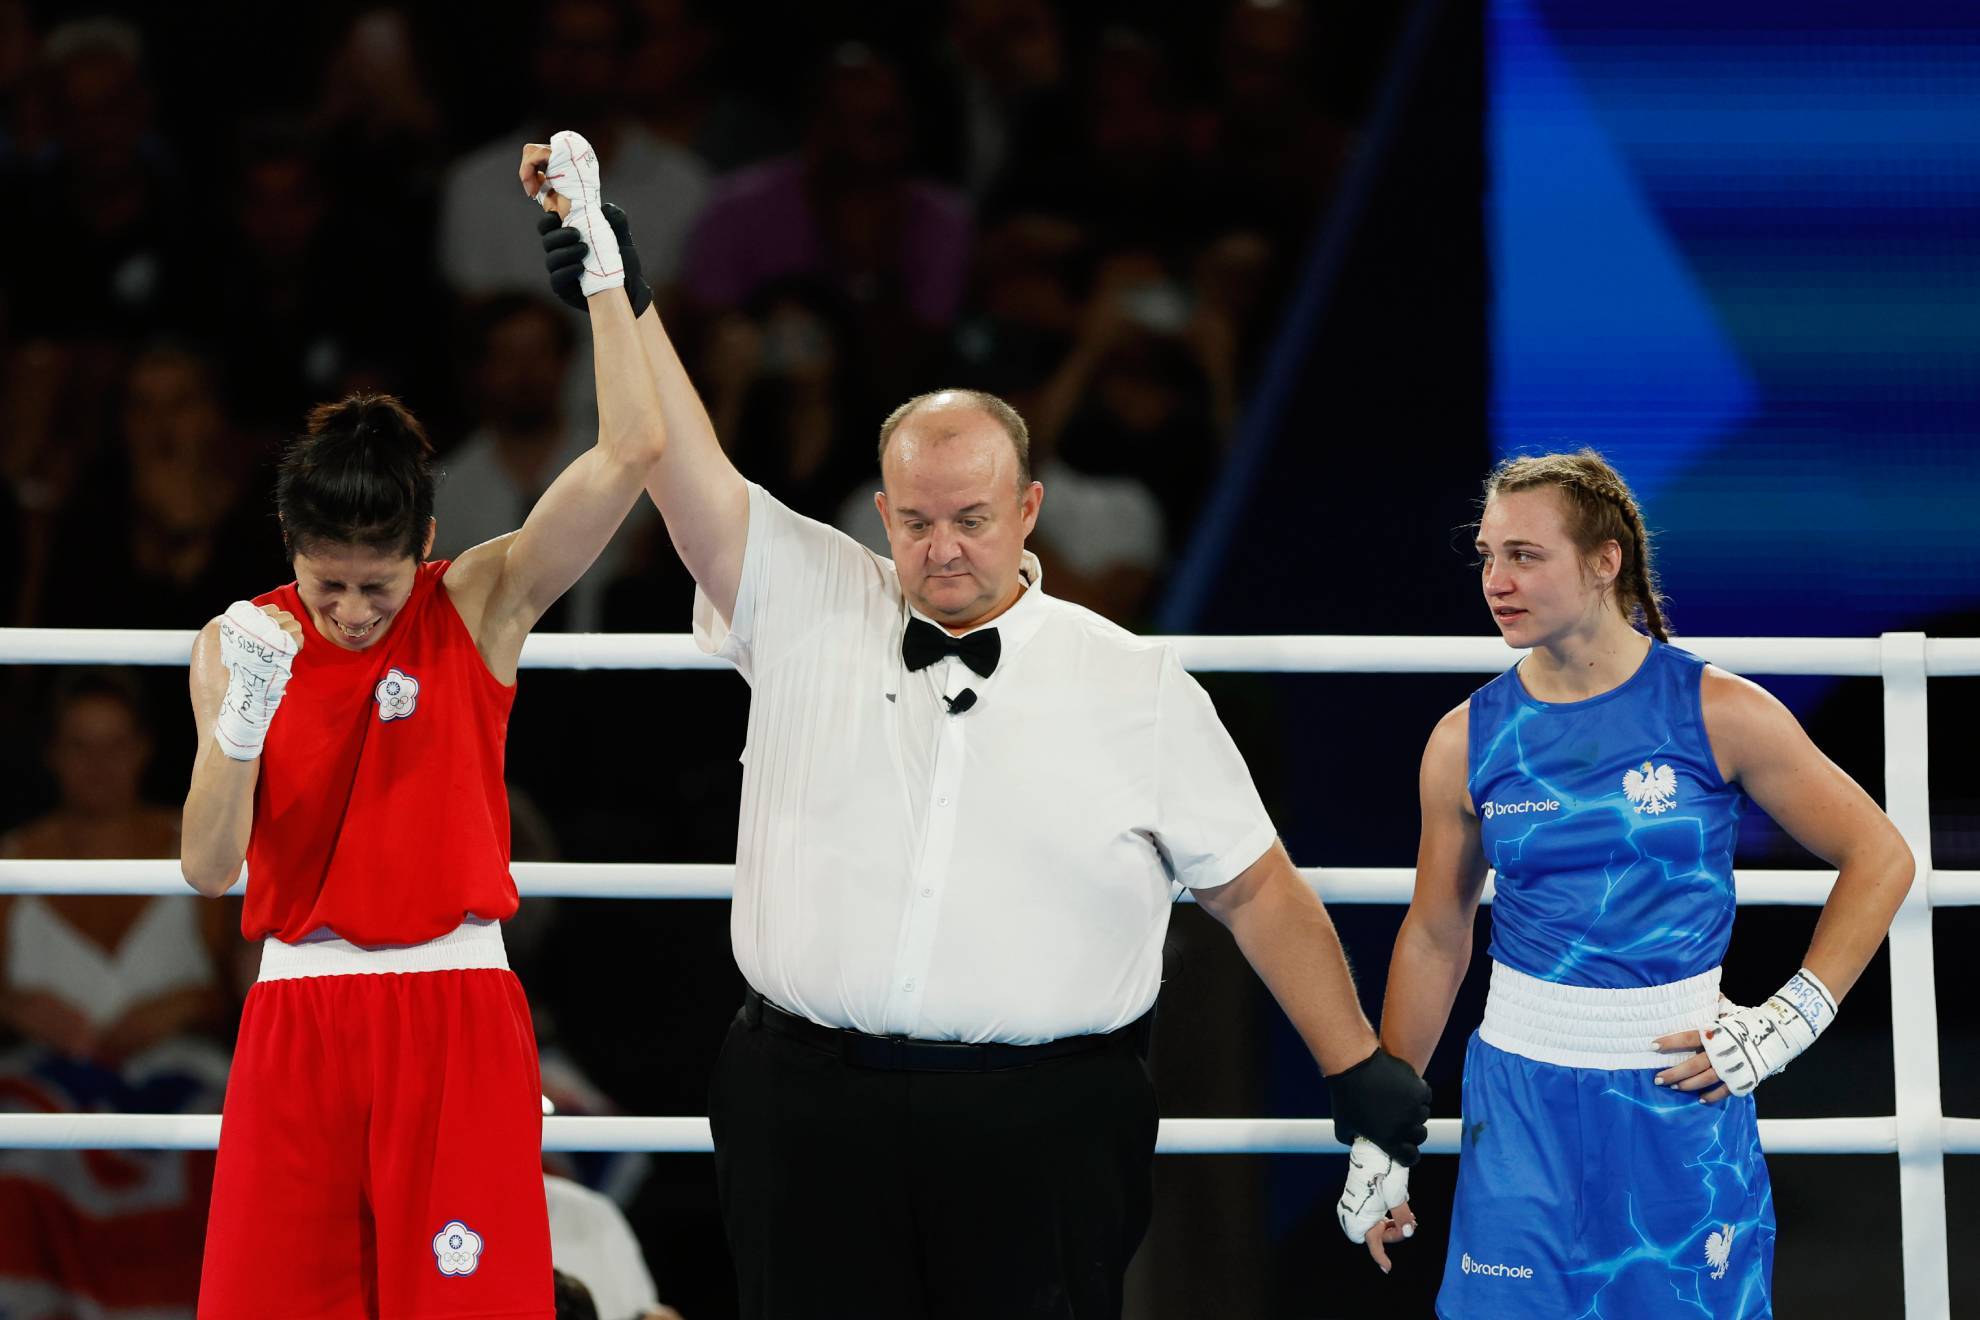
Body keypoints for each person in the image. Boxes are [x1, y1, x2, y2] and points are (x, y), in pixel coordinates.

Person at [523, 186, 1431, 1319]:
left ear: (1029, 509)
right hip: (804, 1105)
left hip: (1042, 1124)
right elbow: (685, 466)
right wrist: (621, 292)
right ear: (880, 510)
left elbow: (1256, 888)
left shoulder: (1134, 683)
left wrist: (1354, 1066)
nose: (943, 547)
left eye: (973, 517)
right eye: (915, 519)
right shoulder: (808, 593)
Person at [182, 131, 666, 1319]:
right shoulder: (239, 639)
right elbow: (206, 868)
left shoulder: (479, 601)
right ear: (291, 545)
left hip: (453, 1009)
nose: (349, 612)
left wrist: (600, 265)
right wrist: (244, 716)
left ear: (423, 547)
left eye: (375, 585)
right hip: (298, 1009)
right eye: (326, 581)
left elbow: (636, 449)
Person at [1338, 450, 1914, 1316]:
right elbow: (1437, 931)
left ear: (1605, 562)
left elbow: (1881, 856)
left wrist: (1790, 1020)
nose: (1497, 579)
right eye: (1487, 555)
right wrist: (1384, 1131)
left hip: (1678, 1091)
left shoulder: (1719, 712)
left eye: (1525, 555)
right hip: (1522, 1096)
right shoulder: (1466, 740)